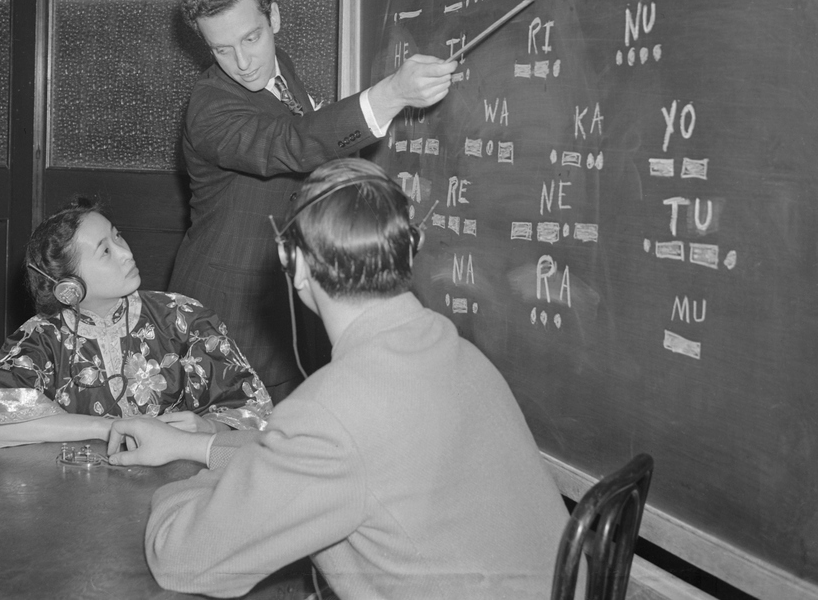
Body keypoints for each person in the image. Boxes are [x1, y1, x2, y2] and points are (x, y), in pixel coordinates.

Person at [110, 158, 568, 600]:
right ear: (412, 246)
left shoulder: (329, 415)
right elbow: (340, 458)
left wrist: (177, 484)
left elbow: (185, 560)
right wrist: (198, 447)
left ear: (295, 263)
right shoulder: (455, 351)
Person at [169, 0, 457, 399]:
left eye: (252, 38)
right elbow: (288, 142)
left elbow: (309, 147)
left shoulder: (280, 68)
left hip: (292, 297)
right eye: (222, 50)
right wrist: (392, 94)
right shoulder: (209, 107)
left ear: (275, 19)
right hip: (225, 310)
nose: (243, 63)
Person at [0, 197, 272, 449]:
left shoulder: (181, 317)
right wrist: (107, 428)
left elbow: (253, 408)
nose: (126, 253)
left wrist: (209, 425)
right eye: (106, 251)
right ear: (69, 287)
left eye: (118, 235)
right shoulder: (42, 339)